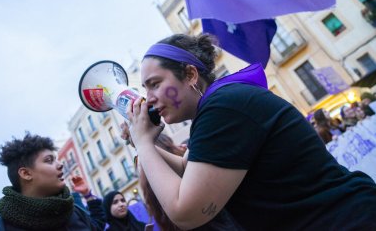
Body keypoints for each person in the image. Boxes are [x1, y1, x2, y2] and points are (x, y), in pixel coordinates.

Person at [127, 34, 376, 230]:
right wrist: (144, 142)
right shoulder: (221, 102)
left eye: (155, 84)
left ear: (190, 74)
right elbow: (186, 168)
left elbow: (186, 212)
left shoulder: (223, 107)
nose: (148, 99)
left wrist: (144, 144)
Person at [0, 133, 106, 230]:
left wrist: (88, 195)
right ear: (26, 173)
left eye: (56, 159)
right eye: (49, 160)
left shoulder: (74, 212)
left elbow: (98, 227)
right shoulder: (0, 228)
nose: (60, 165)